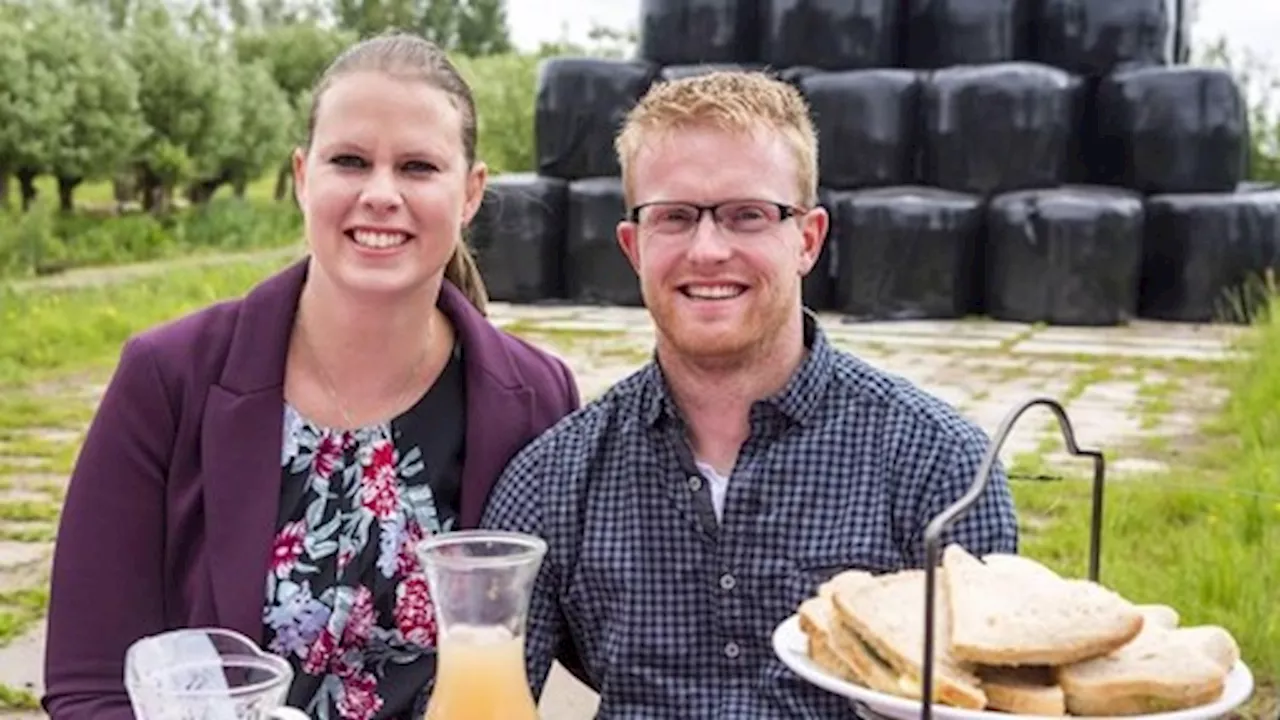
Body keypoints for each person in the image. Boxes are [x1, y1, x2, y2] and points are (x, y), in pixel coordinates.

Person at [42, 32, 580, 720]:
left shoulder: (537, 400)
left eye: (418, 167)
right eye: (350, 161)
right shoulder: (168, 379)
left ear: (472, 192)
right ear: (303, 176)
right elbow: (88, 685)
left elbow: (613, 636)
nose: (381, 194)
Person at [479, 70, 1020, 717]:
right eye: (674, 217)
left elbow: (1000, 699)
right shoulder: (551, 482)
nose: (708, 250)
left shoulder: (940, 466)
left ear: (808, 239)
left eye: (748, 215)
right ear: (633, 245)